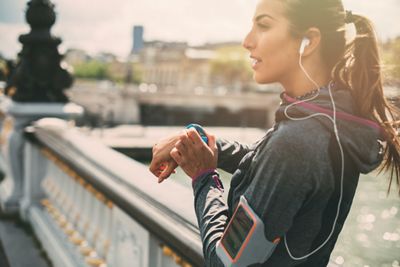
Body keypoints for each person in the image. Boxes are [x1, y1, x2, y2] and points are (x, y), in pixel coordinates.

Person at [150, 0, 400, 266]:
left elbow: (225, 261)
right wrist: (198, 144)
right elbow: (267, 161)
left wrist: (204, 178)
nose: (247, 41)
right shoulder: (330, 118)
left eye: (264, 25)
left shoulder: (298, 140)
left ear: (310, 40)